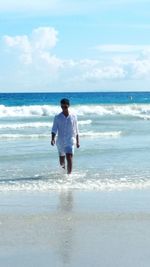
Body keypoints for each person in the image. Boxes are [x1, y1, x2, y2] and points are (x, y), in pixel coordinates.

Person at [51, 98, 80, 174]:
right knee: (62, 159)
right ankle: (63, 174)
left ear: (68, 106)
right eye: (62, 107)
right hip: (60, 141)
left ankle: (69, 175)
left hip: (70, 140)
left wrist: (78, 142)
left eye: (65, 107)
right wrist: (52, 139)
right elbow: (54, 129)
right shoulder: (57, 117)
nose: (63, 108)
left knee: (69, 157)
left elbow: (76, 129)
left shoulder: (73, 116)